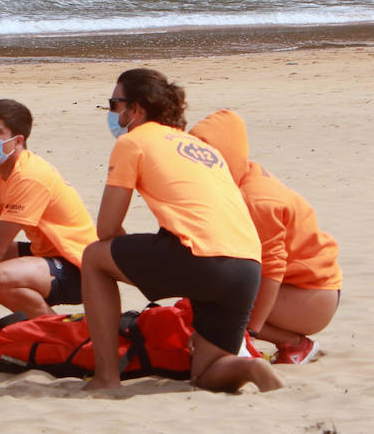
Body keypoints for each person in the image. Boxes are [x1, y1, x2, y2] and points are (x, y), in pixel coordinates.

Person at [79, 68, 283, 393]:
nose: (112, 113)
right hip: (247, 266)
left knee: (93, 257)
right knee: (205, 374)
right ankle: (251, 367)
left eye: (114, 103)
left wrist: (126, 261)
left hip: (201, 258)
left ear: (137, 109)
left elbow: (105, 228)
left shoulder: (133, 142)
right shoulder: (202, 148)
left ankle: (106, 377)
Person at [189, 110, 341, 365]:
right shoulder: (244, 174)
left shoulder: (256, 200)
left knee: (222, 305)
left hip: (311, 295)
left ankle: (294, 344)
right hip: (301, 287)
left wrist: (250, 330)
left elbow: (272, 270)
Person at [0, 99, 96, 322]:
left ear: (18, 140)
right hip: (44, 254)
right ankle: (39, 316)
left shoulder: (29, 176)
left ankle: (60, 330)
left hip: (79, 268)